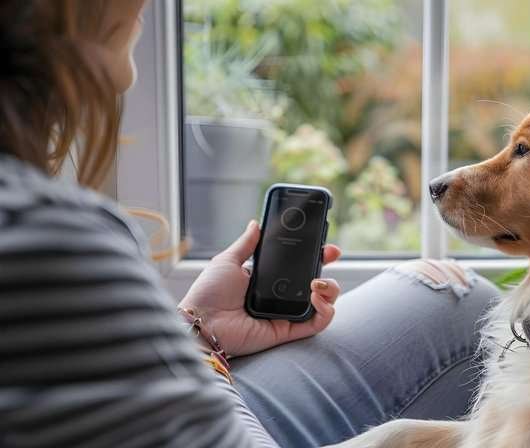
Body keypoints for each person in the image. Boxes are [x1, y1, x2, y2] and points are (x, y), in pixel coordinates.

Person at [0, 1, 501, 447]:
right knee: (465, 317)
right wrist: (200, 356)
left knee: (456, 300)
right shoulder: (45, 238)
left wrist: (194, 324)